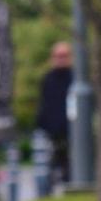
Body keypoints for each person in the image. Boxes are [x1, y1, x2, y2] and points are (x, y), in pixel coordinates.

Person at [37, 41, 72, 186]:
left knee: (69, 169)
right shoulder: (48, 79)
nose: (60, 59)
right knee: (49, 171)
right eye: (57, 56)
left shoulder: (74, 78)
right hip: (51, 133)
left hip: (70, 133)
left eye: (64, 56)